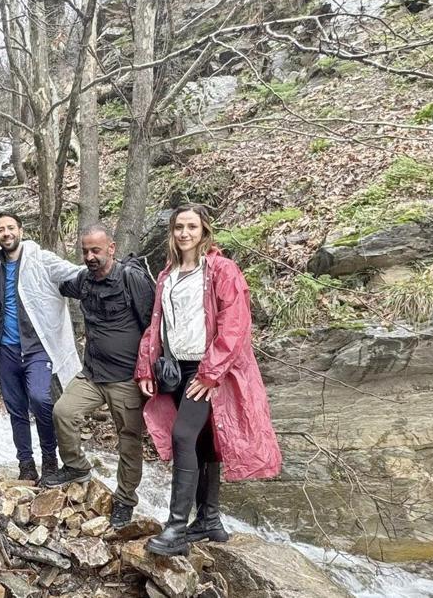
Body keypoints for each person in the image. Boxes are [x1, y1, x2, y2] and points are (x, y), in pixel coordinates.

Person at [136, 204, 282, 556]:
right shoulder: (166, 274)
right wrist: (145, 366)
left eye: (191, 227)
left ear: (204, 231)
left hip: (209, 369)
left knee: (182, 435)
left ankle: (175, 529)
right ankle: (209, 520)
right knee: (201, 443)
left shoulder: (221, 269)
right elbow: (157, 325)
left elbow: (235, 324)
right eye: (178, 227)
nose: (184, 233)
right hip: (179, 369)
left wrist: (211, 372)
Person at [45, 224, 155, 529]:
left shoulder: (131, 279)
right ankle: (77, 467)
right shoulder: (83, 280)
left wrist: (151, 371)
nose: (90, 257)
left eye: (96, 250)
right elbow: (57, 285)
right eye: (85, 251)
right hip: (92, 374)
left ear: (112, 248)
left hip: (127, 379)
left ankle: (125, 500)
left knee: (129, 440)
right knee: (63, 412)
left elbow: (153, 326)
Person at [0, 212, 84, 482]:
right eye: (1, 230)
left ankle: (50, 459)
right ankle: (26, 464)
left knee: (41, 399)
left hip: (36, 347)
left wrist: (107, 270)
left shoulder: (40, 258)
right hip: (5, 349)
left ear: (20, 229)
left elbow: (74, 273)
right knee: (16, 409)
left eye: (10, 228)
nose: (6, 233)